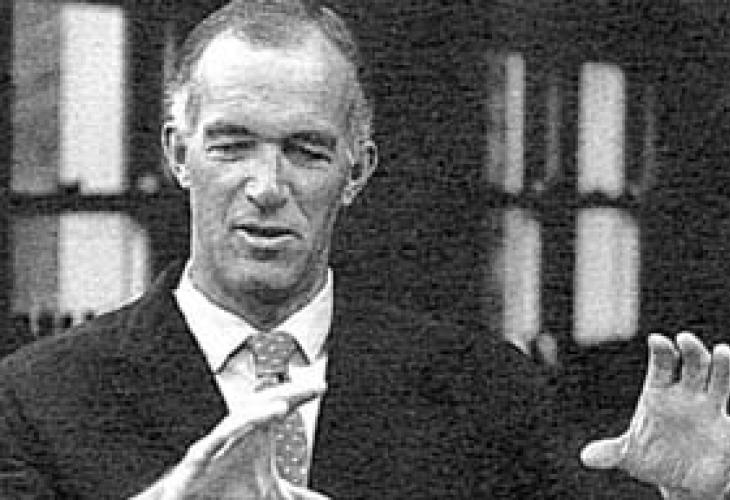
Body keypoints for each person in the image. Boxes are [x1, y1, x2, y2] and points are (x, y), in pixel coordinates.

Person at [1, 1, 730, 499]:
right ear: (177, 155)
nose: (267, 187)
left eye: (307, 150)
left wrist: (690, 497)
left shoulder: (484, 390)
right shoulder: (37, 399)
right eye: (232, 146)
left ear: (357, 172)